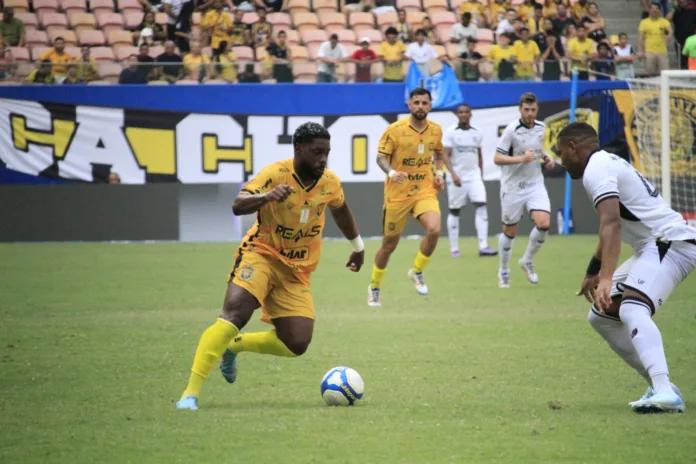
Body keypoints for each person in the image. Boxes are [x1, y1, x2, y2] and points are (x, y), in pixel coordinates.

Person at [176, 122, 365, 411]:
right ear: (298, 149)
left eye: (327, 152)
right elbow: (238, 204)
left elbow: (340, 209)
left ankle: (234, 347)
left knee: (296, 343)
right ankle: (190, 394)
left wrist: (358, 247)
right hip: (261, 254)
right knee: (234, 314)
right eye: (317, 152)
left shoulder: (330, 182)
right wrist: (266, 197)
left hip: (296, 270)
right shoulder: (275, 173)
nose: (323, 159)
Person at [557, 121, 695, 413]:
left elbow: (610, 224)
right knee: (602, 316)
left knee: (632, 308)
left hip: (670, 242)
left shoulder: (596, 169)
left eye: (561, 153)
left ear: (573, 147)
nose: (561, 160)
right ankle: (662, 387)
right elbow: (611, 225)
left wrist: (606, 278)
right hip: (654, 246)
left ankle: (666, 393)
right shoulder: (603, 164)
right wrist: (594, 270)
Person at [367, 88, 445, 307]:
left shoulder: (436, 130)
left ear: (430, 105)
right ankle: (374, 287)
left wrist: (439, 174)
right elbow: (381, 158)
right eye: (416, 102)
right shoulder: (395, 130)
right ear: (409, 105)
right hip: (398, 194)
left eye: (424, 103)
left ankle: (417, 271)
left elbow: (439, 152)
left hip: (424, 190)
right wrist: (392, 173)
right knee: (389, 245)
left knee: (435, 229)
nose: (420, 106)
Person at [493, 92, 555, 288]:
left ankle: (527, 260)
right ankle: (503, 270)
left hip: (535, 183)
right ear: (520, 109)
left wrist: (546, 158)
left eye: (533, 110)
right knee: (510, 232)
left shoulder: (541, 128)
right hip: (512, 187)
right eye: (526, 110)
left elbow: (537, 149)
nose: (530, 113)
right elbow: (497, 158)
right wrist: (521, 159)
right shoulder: (512, 130)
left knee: (544, 224)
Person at [444, 104, 497, 258]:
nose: (464, 115)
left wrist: (480, 174)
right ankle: (454, 248)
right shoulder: (451, 133)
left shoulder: (477, 133)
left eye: (466, 112)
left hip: (474, 176)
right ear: (457, 115)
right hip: (457, 177)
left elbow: (478, 154)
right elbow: (445, 155)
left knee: (481, 205)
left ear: (471, 114)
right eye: (461, 112)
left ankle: (483, 246)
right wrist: (452, 174)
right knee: (455, 210)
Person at [638, 2, 672, 77]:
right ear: (649, 10)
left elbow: (670, 31)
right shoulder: (644, 22)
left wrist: (669, 35)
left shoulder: (664, 21)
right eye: (652, 8)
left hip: (662, 52)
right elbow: (640, 38)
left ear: (659, 10)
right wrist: (640, 51)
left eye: (656, 8)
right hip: (649, 52)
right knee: (649, 74)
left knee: (665, 74)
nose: (654, 10)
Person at [668, 0, 696, 69]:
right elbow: (667, 19)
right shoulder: (676, 12)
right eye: (680, 1)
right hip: (679, 42)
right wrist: (674, 7)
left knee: (691, 62)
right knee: (681, 63)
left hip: (691, 42)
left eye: (683, 0)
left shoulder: (693, 12)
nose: (682, 2)